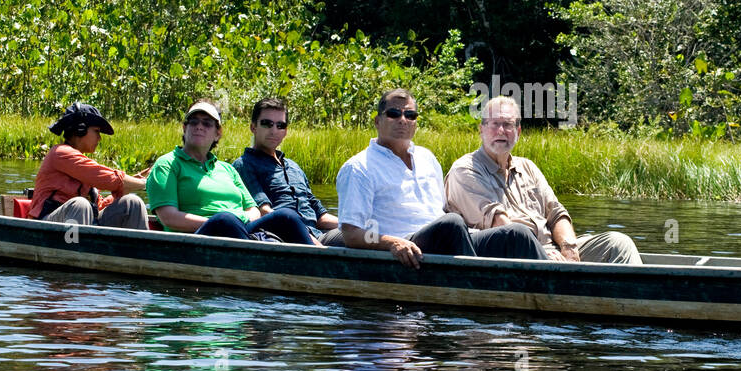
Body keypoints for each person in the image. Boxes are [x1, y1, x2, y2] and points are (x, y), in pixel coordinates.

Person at [336, 88, 547, 267]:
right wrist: (392, 243)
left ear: (416, 122)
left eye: (410, 116)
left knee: (516, 233)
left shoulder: (427, 158)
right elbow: (351, 234)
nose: (403, 120)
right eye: (394, 114)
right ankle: (479, 289)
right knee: (451, 224)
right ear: (377, 121)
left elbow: (444, 209)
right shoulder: (359, 168)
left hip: (449, 239)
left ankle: (558, 288)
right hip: (407, 246)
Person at [446, 96, 642, 264]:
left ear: (518, 132)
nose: (501, 131)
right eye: (494, 124)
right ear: (481, 129)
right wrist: (542, 251)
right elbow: (501, 225)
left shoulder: (528, 167)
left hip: (550, 250)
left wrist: (569, 249)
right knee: (519, 234)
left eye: (508, 125)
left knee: (618, 242)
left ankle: (636, 300)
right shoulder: (466, 169)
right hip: (508, 256)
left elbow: (556, 213)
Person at [146, 100, 320, 244]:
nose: (199, 127)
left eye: (207, 123)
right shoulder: (168, 164)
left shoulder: (227, 169)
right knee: (224, 220)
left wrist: (240, 220)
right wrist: (219, 221)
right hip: (198, 237)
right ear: (185, 128)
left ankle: (321, 263)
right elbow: (168, 217)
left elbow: (254, 210)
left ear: (217, 134)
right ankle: (258, 265)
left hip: (240, 229)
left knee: (286, 216)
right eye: (194, 122)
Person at [233, 97, 343, 245]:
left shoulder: (294, 167)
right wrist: (308, 238)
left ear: (285, 131)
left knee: (368, 236)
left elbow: (320, 216)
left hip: (318, 234)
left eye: (280, 125)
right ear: (253, 127)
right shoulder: (244, 165)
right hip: (281, 236)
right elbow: (264, 211)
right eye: (267, 124)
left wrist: (356, 228)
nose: (274, 130)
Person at [30, 102, 148, 229]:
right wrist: (145, 183)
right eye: (96, 131)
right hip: (47, 224)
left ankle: (142, 248)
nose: (99, 138)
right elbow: (107, 179)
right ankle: (73, 248)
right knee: (80, 204)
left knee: (132, 203)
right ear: (80, 130)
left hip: (82, 221)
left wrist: (126, 188)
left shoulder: (82, 162)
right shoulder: (60, 153)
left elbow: (98, 206)